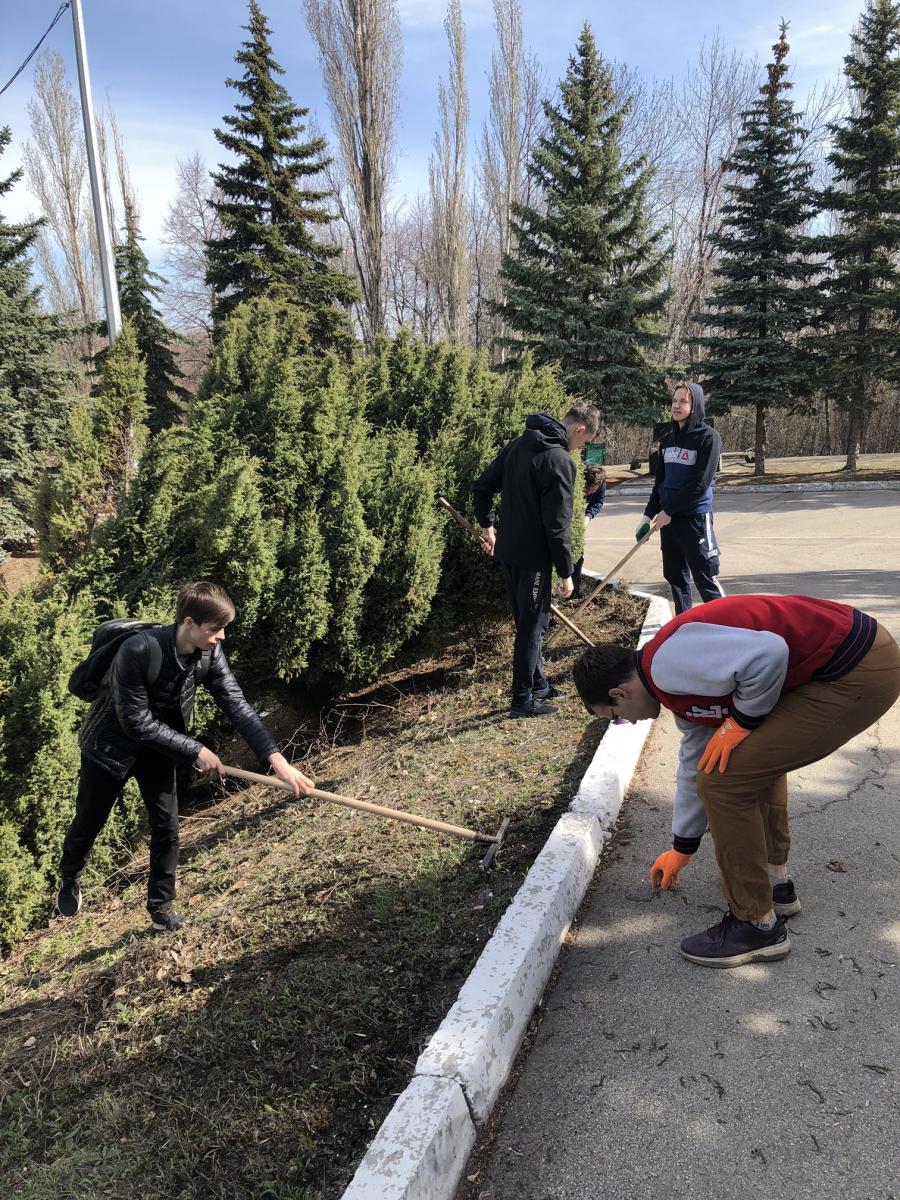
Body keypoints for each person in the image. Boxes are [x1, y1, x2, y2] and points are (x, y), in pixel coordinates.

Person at [572, 594, 900, 968]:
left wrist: (743, 720)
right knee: (739, 762)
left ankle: (756, 925)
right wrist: (683, 845)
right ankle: (775, 886)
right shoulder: (675, 690)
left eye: (615, 715)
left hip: (855, 668)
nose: (626, 721)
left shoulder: (666, 662)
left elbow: (770, 652)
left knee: (725, 781)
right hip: (856, 661)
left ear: (619, 693)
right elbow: (695, 761)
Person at [56, 581, 314, 932]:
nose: (222, 636)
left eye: (224, 628)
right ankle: (70, 874)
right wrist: (196, 749)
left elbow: (236, 705)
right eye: (215, 628)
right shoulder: (137, 651)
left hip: (161, 748)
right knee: (89, 820)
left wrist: (276, 760)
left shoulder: (209, 653)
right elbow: (135, 722)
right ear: (188, 623)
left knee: (167, 828)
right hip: (109, 747)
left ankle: (161, 907)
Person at [472, 401, 601, 718]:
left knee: (528, 622)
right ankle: (522, 699)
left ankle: (539, 684)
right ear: (579, 429)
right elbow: (558, 526)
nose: (579, 450)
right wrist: (566, 572)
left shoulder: (517, 445)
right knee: (532, 628)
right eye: (582, 444)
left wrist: (488, 527)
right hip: (532, 559)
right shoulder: (559, 460)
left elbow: (483, 486)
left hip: (509, 554)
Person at [638, 382, 724, 614]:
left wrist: (668, 511)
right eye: (674, 401)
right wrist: (647, 515)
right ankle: (684, 624)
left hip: (695, 519)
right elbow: (660, 483)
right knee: (676, 578)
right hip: (670, 521)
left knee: (705, 576)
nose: (676, 406)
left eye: (683, 401)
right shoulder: (667, 441)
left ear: (695, 405)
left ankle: (730, 625)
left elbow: (700, 484)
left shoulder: (708, 438)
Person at [571, 465, 607, 600]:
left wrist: (588, 516)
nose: (589, 491)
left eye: (593, 489)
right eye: (587, 488)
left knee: (577, 557)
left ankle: (574, 592)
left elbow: (598, 502)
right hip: (565, 517)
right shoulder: (575, 481)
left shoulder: (601, 484)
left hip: (579, 519)